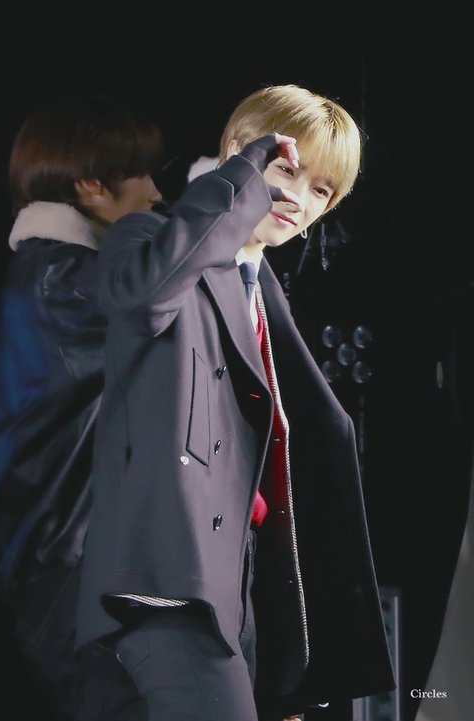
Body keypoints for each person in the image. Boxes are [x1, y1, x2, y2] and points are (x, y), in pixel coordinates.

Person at [75, 84, 395, 721]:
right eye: (287, 170)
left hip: (232, 596)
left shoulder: (262, 291)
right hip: (166, 586)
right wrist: (240, 179)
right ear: (236, 153)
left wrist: (280, 648)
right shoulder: (150, 240)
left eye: (322, 191)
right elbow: (143, 298)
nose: (300, 199)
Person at [0, 93, 164, 720]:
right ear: (91, 185)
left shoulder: (50, 272)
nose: (155, 194)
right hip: (70, 578)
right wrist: (227, 195)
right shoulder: (63, 282)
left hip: (65, 571)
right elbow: (158, 291)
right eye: (140, 174)